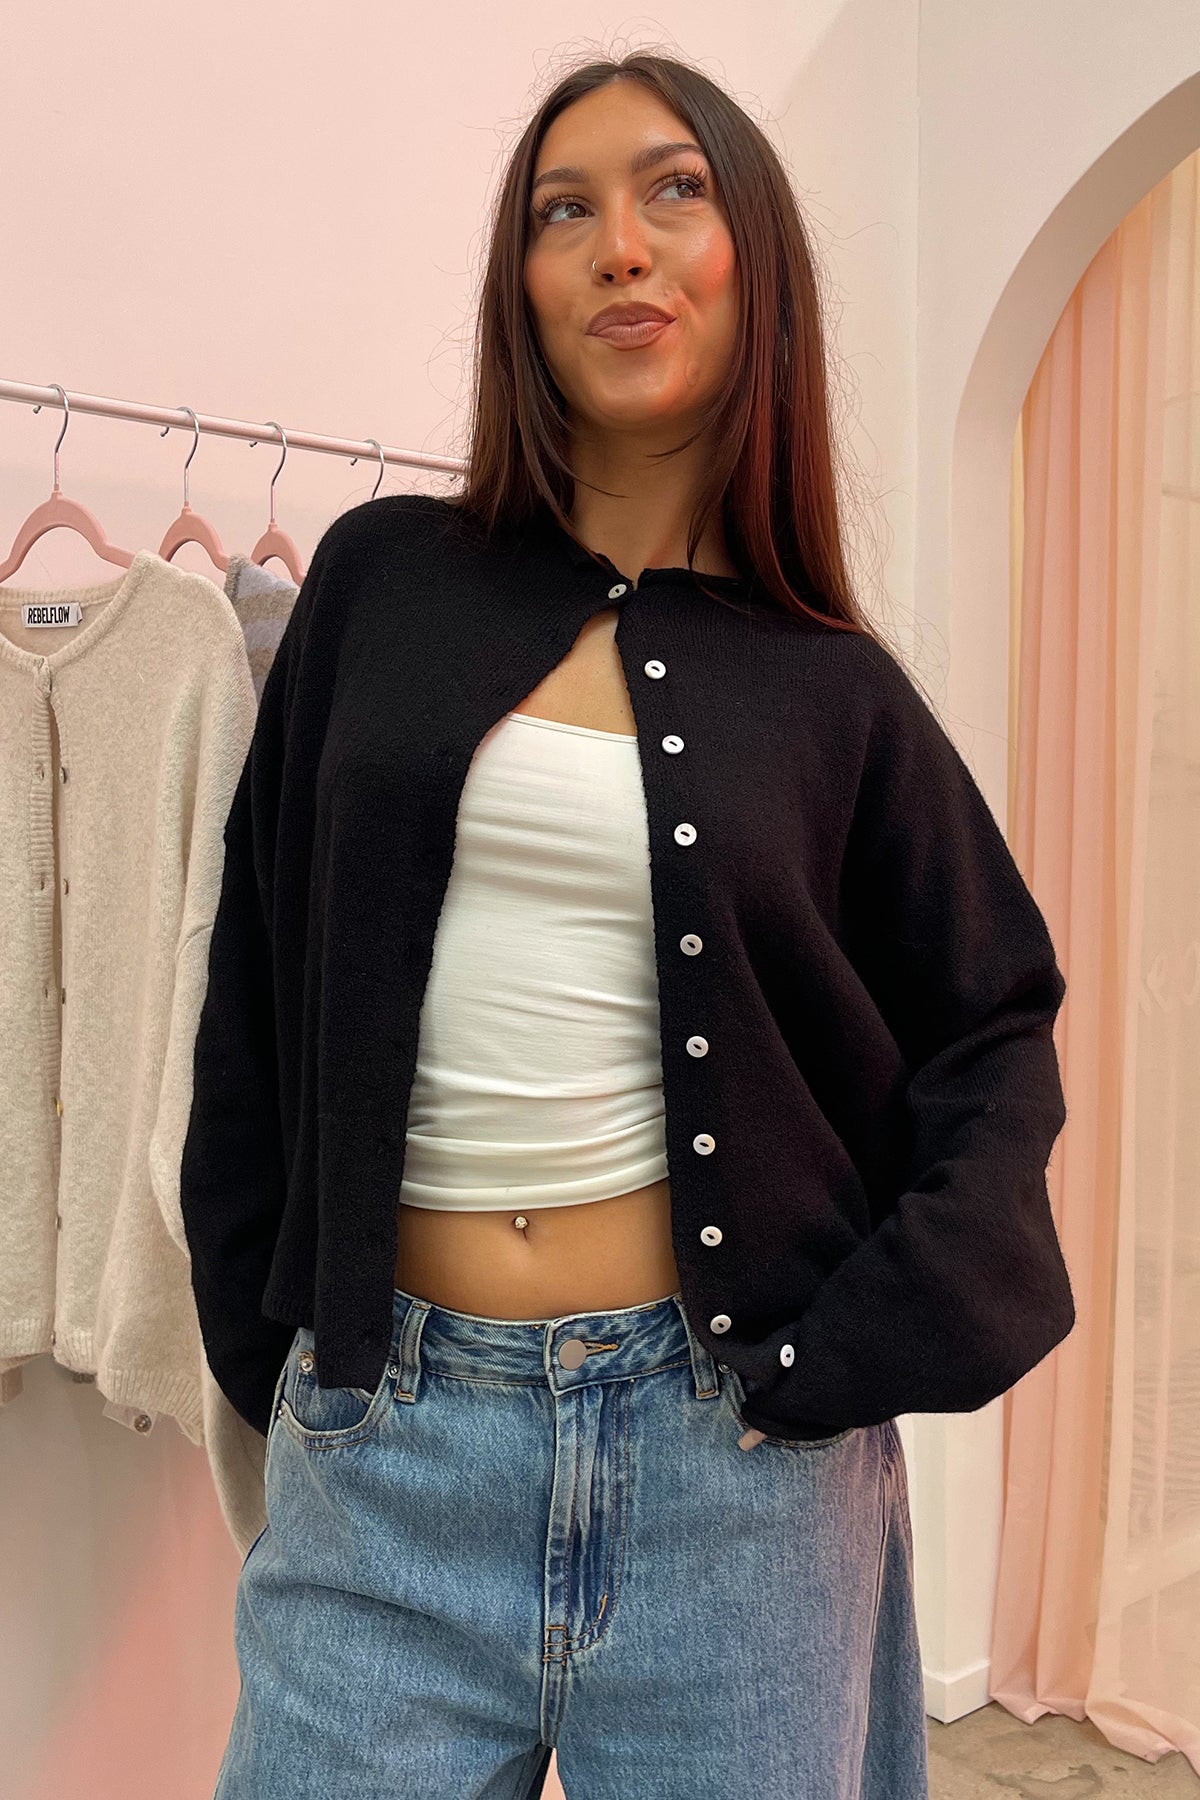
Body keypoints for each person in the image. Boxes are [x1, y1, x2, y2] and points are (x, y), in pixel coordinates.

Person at [191, 49, 1070, 1800]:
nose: (619, 245)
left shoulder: (832, 691)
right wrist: (279, 1343)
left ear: (755, 261)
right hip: (389, 1456)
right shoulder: (381, 579)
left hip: (729, 1487)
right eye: (562, 211)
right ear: (521, 288)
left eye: (675, 190)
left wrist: (847, 1352)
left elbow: (994, 1026)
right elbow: (256, 990)